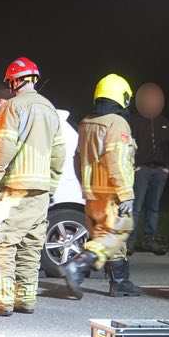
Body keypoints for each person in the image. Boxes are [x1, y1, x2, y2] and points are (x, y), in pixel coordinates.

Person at [0, 57, 65, 315]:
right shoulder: (50, 109)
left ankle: (1, 302)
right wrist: (51, 186)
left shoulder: (12, 107)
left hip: (14, 189)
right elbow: (59, 154)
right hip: (40, 192)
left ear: (15, 80)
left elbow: (4, 148)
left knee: (0, 243)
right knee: (30, 247)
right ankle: (25, 301)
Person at [62, 74, 141, 297]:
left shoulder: (86, 122)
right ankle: (78, 265)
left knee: (103, 235)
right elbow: (115, 160)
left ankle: (120, 282)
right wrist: (125, 193)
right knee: (119, 230)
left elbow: (77, 158)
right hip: (112, 191)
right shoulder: (117, 123)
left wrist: (85, 186)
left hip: (92, 193)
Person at [128, 81, 169, 253]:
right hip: (141, 170)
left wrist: (167, 167)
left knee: (153, 207)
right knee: (136, 206)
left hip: (159, 171)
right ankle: (130, 241)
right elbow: (129, 146)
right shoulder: (135, 121)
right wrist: (135, 166)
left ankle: (149, 239)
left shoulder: (164, 122)